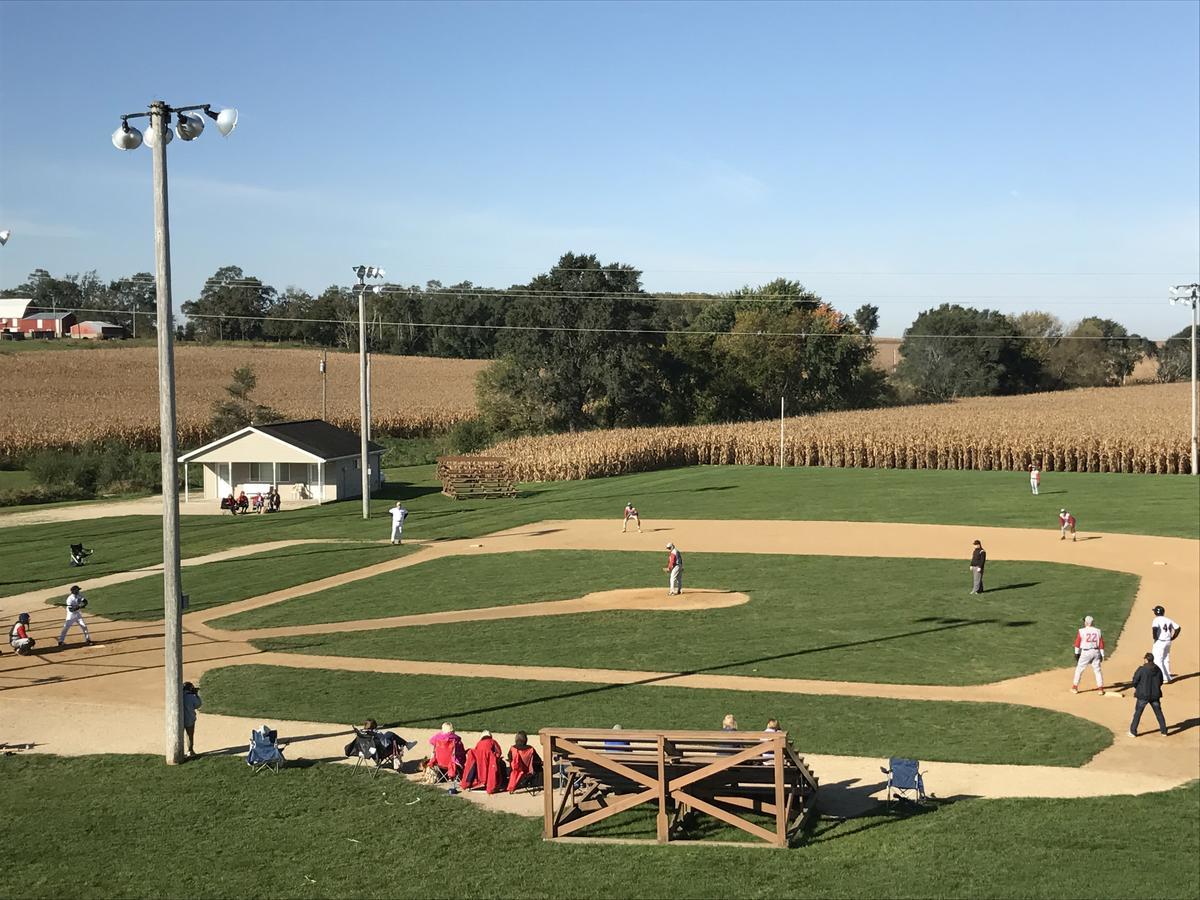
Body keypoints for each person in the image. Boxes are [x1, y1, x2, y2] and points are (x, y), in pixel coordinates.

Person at [1128, 652, 1169, 738]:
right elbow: (1160, 681)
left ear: (1146, 659)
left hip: (1143, 695)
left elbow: (1135, 681)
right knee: (1159, 713)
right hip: (1155, 695)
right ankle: (1164, 731)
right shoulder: (1158, 669)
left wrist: (1138, 688)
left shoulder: (1141, 669)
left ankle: (1133, 732)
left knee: (1138, 713)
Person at [1072, 615, 1105, 695]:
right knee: (1097, 670)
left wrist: (1077, 654)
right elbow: (1101, 644)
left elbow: (1077, 644)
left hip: (1085, 653)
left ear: (1086, 623)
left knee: (1079, 669)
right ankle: (1100, 689)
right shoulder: (1098, 631)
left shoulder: (1081, 631)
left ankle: (1075, 687)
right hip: (1096, 652)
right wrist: (1102, 654)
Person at [1150, 605, 1181, 684]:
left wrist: (1155, 638)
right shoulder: (1168, 619)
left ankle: (1163, 677)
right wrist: (1173, 637)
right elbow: (1178, 628)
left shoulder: (1156, 620)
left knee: (1157, 659)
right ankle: (1168, 676)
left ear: (1155, 613)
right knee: (1165, 658)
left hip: (1160, 642)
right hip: (1168, 642)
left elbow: (1155, 629)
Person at [183, 682, 202, 757]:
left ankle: (179, 751)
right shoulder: (192, 697)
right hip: (189, 719)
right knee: (189, 735)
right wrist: (196, 695)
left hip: (178, 719)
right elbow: (198, 705)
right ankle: (190, 751)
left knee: (179, 736)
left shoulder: (179, 695)